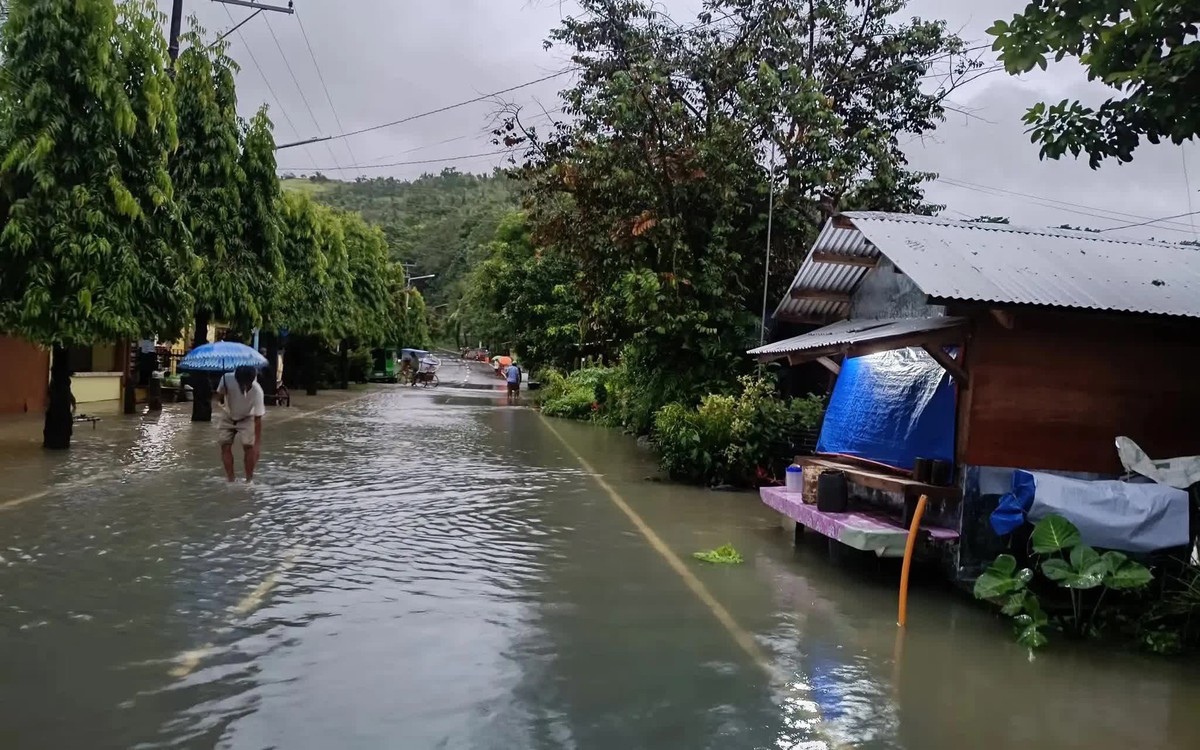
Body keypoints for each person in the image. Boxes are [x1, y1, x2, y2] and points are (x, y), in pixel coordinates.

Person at [216, 365, 266, 482]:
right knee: (225, 445)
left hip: (247, 418)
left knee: (249, 447)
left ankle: (249, 480)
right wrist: (223, 395)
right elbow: (219, 397)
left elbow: (258, 419)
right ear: (237, 379)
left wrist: (257, 445)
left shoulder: (257, 391)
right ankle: (230, 479)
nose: (246, 387)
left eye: (249, 384)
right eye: (243, 384)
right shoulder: (226, 379)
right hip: (228, 415)